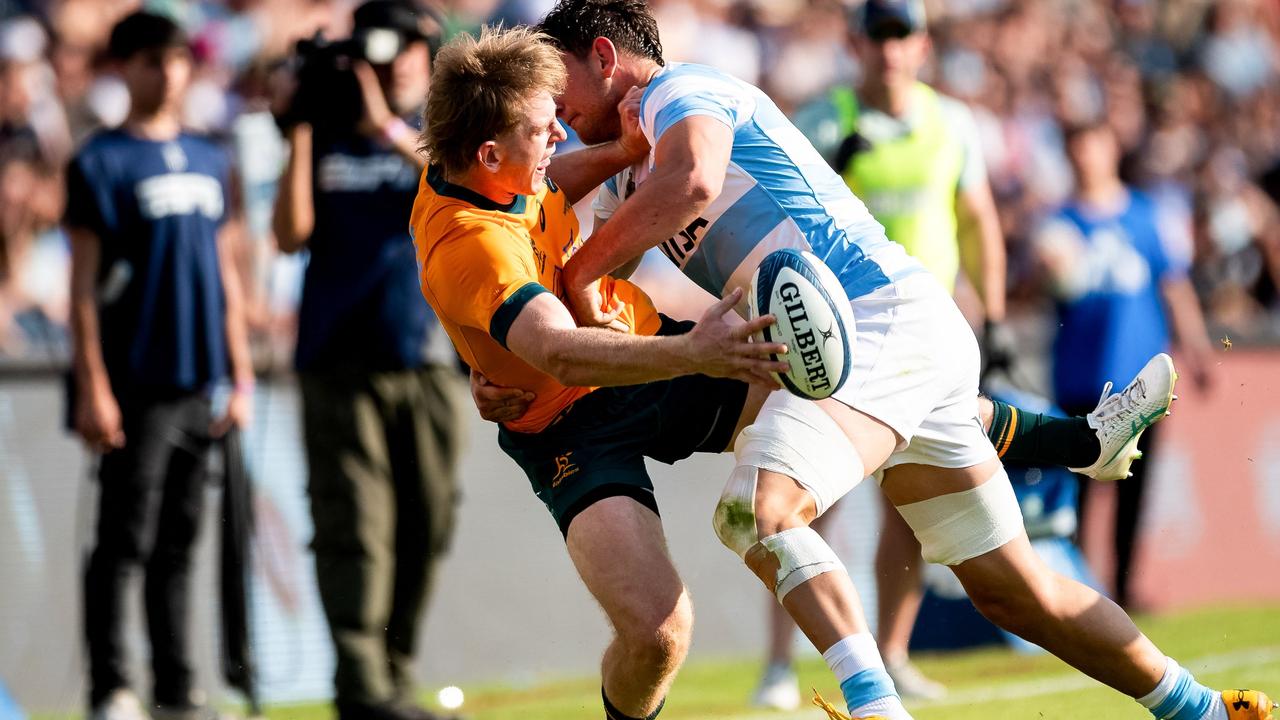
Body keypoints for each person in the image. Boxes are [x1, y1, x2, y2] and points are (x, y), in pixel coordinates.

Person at [535, 1, 1274, 718]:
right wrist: (527, 346)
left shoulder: (680, 90)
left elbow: (690, 183)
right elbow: (580, 250)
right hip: (896, 334)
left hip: (876, 321)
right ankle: (1206, 709)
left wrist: (579, 275)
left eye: (559, 83)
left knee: (757, 513)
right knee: (1018, 592)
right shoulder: (635, 173)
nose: (556, 111)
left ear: (604, 58)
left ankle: (875, 704)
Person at [754, 0, 1007, 704]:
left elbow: (976, 217)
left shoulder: (954, 123)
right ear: (855, 42)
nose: (890, 49)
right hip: (833, 339)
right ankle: (780, 664)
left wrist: (998, 315)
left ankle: (892, 654)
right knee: (803, 500)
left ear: (922, 44)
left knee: (912, 514)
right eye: (878, 35)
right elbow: (777, 214)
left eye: (903, 35)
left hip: (923, 342)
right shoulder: (823, 119)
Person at [271, 2, 464, 719]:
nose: (390, 63)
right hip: (339, 356)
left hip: (426, 354)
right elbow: (290, 234)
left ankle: (393, 672)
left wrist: (383, 120)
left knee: (428, 521)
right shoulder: (323, 127)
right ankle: (361, 687)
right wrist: (298, 129)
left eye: (403, 47)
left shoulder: (444, 124)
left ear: (425, 49)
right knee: (356, 527)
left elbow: (452, 183)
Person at [67, 12, 254, 720]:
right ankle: (111, 687)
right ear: (125, 68)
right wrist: (93, 387)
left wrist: (240, 376)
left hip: (202, 380)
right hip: (135, 381)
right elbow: (82, 287)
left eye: (178, 59)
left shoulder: (211, 157)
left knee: (180, 540)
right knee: (123, 539)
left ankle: (177, 688)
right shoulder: (99, 161)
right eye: (152, 59)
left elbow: (228, 274)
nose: (168, 72)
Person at [1034, 119, 1215, 609]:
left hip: (1144, 381)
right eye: (1075, 149)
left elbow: (1173, 286)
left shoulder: (1145, 214)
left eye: (1091, 145)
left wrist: (1196, 348)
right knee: (1079, 492)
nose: (1084, 157)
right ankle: (1075, 595)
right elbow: (1032, 290)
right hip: (1080, 379)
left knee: (1135, 488)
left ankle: (1124, 590)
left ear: (1110, 149)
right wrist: (1043, 272)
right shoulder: (1057, 225)